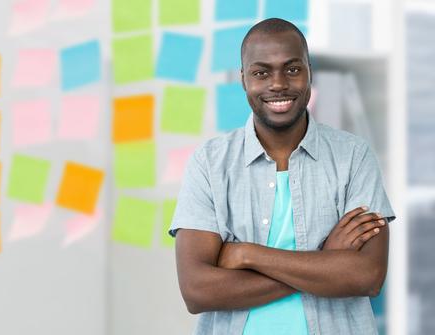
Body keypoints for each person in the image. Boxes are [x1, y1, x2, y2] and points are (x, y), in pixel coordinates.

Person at [169, 18, 395, 335]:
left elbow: (367, 276)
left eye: (292, 69)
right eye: (261, 72)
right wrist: (325, 262)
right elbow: (197, 290)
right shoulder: (210, 163)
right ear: (244, 80)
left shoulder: (353, 157)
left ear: (309, 73)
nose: (278, 84)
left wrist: (247, 254)